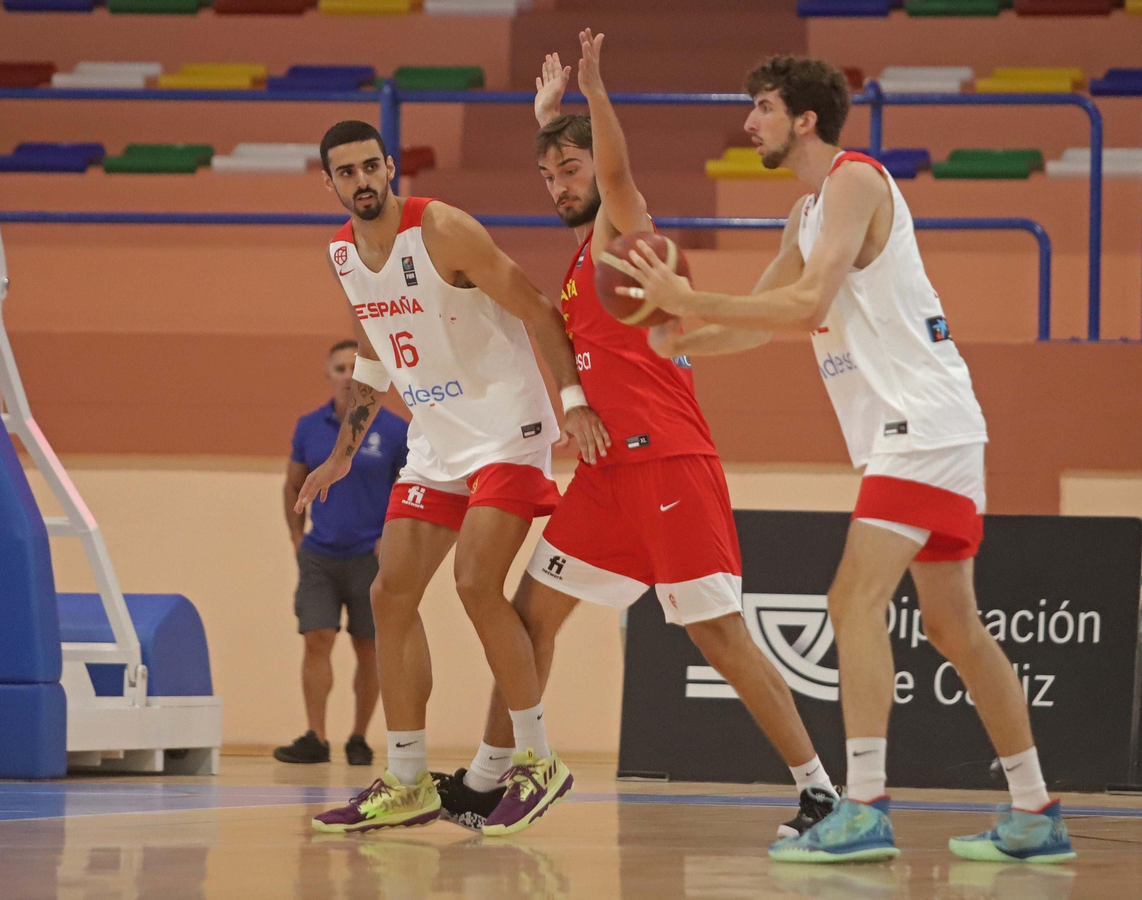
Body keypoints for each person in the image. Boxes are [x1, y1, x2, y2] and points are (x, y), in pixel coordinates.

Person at [615, 57, 1076, 865]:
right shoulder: (805, 214)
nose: (748, 122)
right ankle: (1036, 809)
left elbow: (806, 304)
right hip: (931, 431)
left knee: (850, 601)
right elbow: (761, 323)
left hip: (920, 424)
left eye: (761, 107)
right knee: (953, 625)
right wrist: (676, 341)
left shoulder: (856, 180)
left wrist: (692, 300)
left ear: (803, 119)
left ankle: (864, 805)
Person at [432, 33, 838, 841]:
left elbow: (613, 171)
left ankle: (820, 790)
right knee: (529, 614)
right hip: (606, 475)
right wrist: (550, 126)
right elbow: (583, 174)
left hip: (669, 465)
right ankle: (489, 775)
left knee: (718, 635)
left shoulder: (625, 234)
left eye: (569, 171)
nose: (558, 185)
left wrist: (591, 96)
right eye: (547, 177)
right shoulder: (585, 260)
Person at [303, 120, 612, 837]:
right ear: (329, 183)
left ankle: (537, 760)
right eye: (344, 173)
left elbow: (537, 306)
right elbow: (377, 350)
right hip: (437, 438)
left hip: (505, 424)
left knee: (475, 582)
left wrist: (572, 402)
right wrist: (346, 450)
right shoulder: (344, 254)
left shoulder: (441, 228)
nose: (360, 182)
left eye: (369, 167)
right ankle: (407, 778)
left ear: (389, 167)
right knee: (390, 590)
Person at [274, 339, 409, 767]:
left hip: (370, 557)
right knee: (317, 638)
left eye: (356, 367)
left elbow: (407, 490)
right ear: (328, 374)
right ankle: (316, 736)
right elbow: (293, 485)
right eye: (339, 368)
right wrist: (298, 539)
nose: (348, 376)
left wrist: (391, 541)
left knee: (369, 647)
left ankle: (358, 737)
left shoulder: (394, 430)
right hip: (320, 555)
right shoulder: (309, 427)